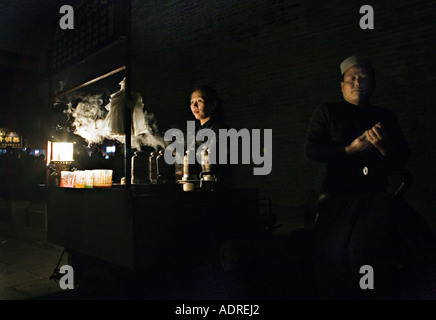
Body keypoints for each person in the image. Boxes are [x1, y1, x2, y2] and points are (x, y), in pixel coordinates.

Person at [304, 55, 418, 299]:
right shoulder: (328, 111)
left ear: (372, 83)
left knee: (382, 252)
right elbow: (311, 150)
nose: (357, 82)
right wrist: (348, 151)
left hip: (374, 199)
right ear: (342, 85)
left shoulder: (385, 116)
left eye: (363, 78)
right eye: (351, 78)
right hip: (337, 199)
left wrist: (386, 148)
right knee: (333, 260)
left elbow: (403, 156)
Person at [177, 85, 232, 189]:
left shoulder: (220, 130)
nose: (194, 105)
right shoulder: (195, 132)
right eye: (192, 102)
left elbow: (216, 163)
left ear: (213, 105)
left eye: (199, 101)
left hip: (216, 188)